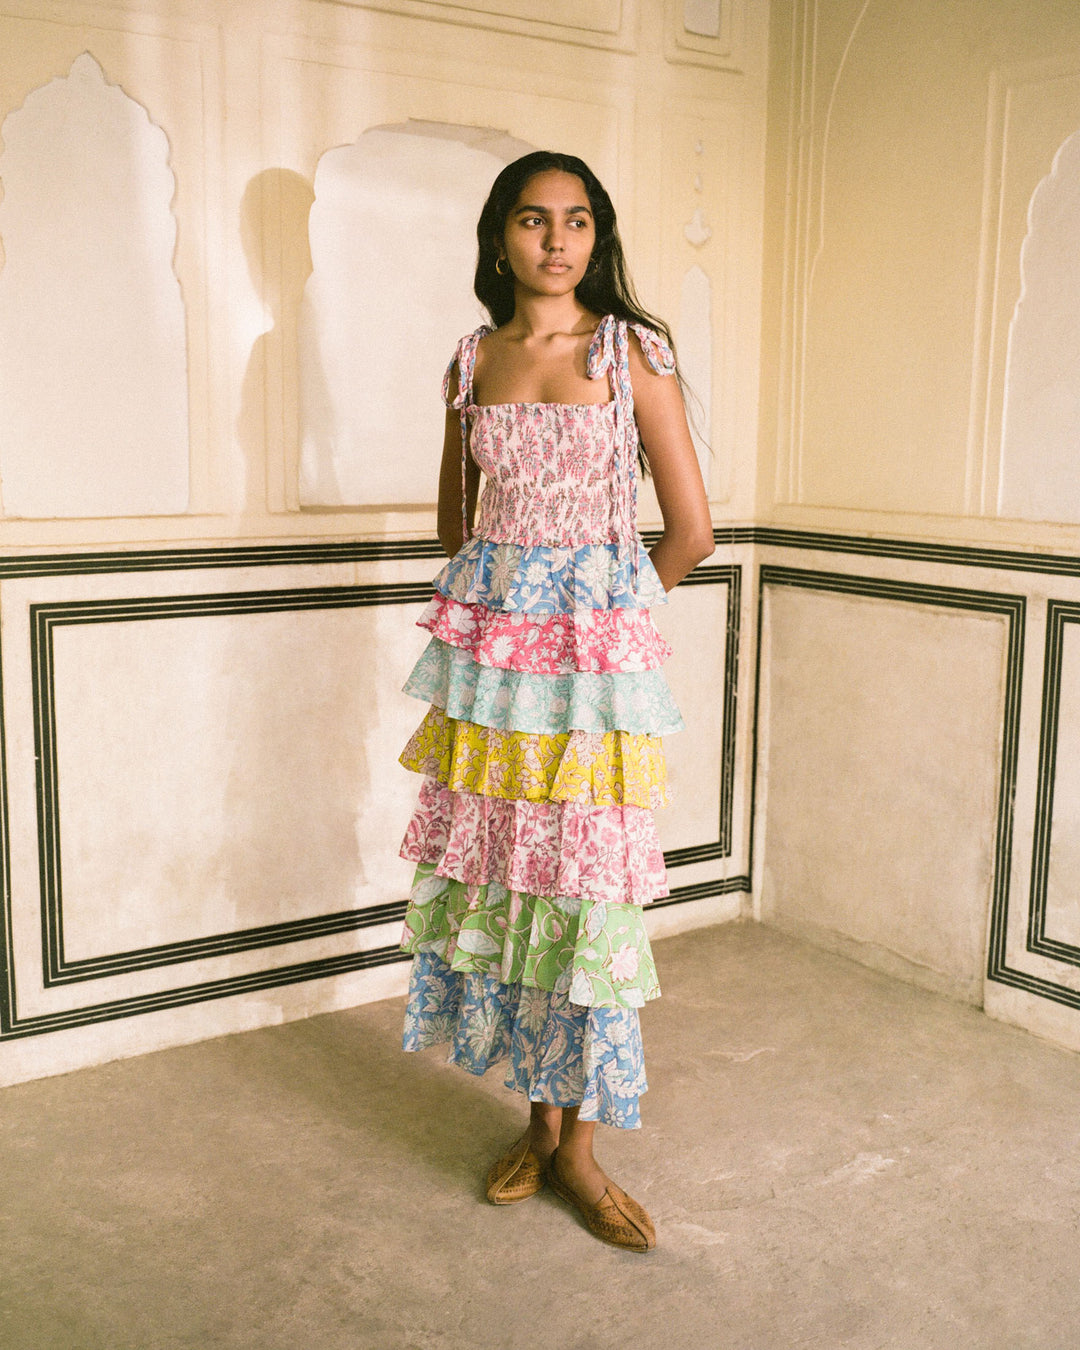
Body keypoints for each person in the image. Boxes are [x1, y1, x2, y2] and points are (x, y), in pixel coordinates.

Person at [397, 150, 714, 1252]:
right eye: (534, 220)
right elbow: (459, 526)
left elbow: (691, 531)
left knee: (584, 902)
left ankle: (580, 1152)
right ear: (500, 237)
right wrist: (508, 613)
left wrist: (605, 625)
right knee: (510, 890)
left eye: (577, 220)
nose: (557, 239)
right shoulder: (469, 359)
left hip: (588, 687)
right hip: (493, 685)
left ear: (598, 235)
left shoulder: (632, 353)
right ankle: (537, 1125)